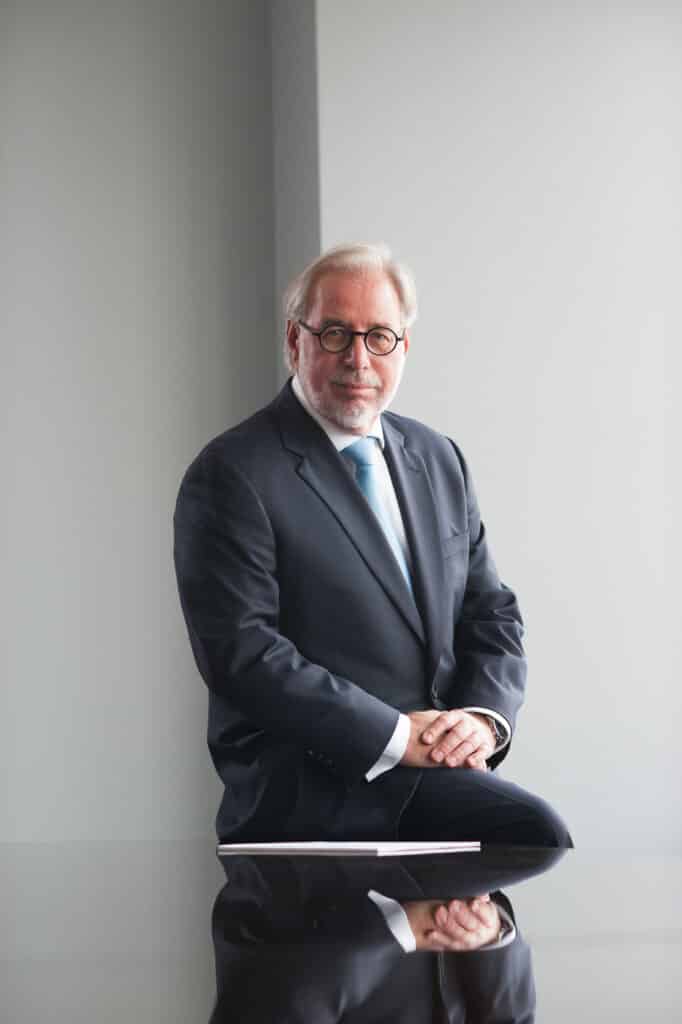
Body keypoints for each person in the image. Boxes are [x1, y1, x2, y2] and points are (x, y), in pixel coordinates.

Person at [173, 242, 571, 846]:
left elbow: (491, 612)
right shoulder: (233, 472)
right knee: (532, 833)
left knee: (523, 841)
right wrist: (397, 737)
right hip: (314, 783)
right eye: (335, 333)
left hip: (436, 772)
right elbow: (243, 653)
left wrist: (481, 721)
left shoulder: (438, 458)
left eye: (379, 336)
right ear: (295, 340)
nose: (357, 358)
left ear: (403, 346)